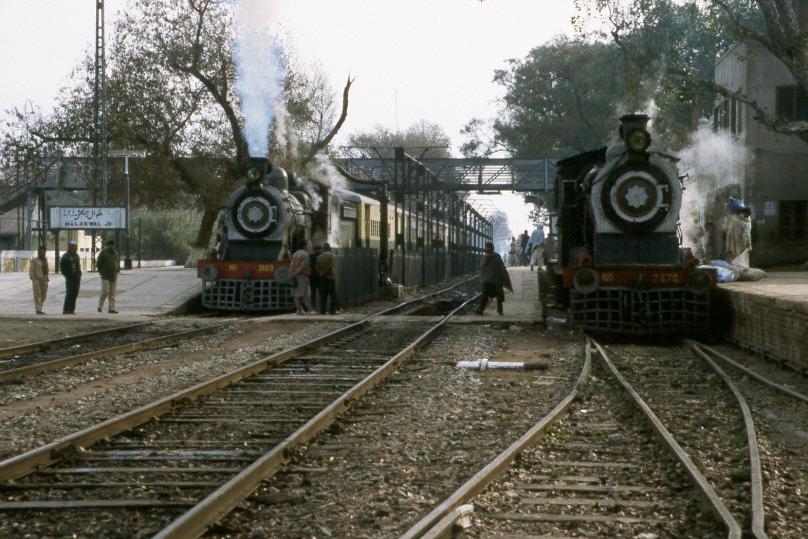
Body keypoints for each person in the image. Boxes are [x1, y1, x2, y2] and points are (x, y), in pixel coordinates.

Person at [474, 241, 513, 315]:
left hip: (489, 282)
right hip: (495, 282)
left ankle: (481, 309)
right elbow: (502, 269)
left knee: (485, 295)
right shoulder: (497, 256)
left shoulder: (485, 257)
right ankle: (499, 310)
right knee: (498, 295)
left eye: (486, 247)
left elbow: (482, 268)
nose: (486, 249)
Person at [289, 241, 313, 314]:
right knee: (306, 293)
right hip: (302, 276)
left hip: (295, 276)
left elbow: (291, 265)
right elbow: (303, 266)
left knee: (296, 294)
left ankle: (299, 310)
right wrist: (297, 272)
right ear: (304, 246)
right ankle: (309, 309)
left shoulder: (295, 254)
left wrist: (292, 273)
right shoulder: (305, 254)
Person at [96, 239, 120, 314]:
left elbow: (117, 263)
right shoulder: (103, 253)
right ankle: (100, 306)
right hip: (105, 275)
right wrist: (101, 272)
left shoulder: (115, 253)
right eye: (110, 245)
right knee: (105, 291)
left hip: (113, 275)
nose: (111, 246)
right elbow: (98, 263)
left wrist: (117, 270)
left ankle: (111, 308)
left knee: (112, 293)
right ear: (107, 245)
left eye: (112, 245)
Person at [60, 240, 82, 315]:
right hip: (69, 277)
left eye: (75, 247)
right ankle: (66, 310)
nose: (74, 248)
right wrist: (66, 275)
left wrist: (79, 274)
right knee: (69, 293)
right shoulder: (65, 256)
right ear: (69, 247)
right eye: (72, 247)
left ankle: (71, 310)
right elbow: (62, 268)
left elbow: (78, 266)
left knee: (75, 293)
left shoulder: (76, 256)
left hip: (77, 278)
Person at [316, 242, 338, 314]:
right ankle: (332, 311)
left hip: (322, 278)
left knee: (323, 295)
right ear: (329, 248)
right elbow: (332, 266)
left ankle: (322, 311)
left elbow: (317, 268)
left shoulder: (319, 257)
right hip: (330, 277)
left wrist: (322, 273)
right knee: (332, 295)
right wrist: (327, 272)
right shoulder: (332, 256)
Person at [29, 245, 49, 315]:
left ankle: (40, 307)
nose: (42, 253)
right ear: (38, 252)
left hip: (44, 280)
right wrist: (32, 277)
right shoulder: (34, 260)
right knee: (37, 295)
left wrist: (47, 278)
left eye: (44, 251)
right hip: (36, 279)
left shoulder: (45, 260)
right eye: (41, 251)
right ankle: (38, 309)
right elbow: (31, 269)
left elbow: (47, 269)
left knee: (44, 295)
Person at [309, 243, 322, 308]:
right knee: (314, 293)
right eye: (316, 249)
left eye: (318, 249)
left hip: (318, 277)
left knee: (320, 293)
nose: (317, 250)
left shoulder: (311, 256)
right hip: (314, 277)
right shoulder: (311, 256)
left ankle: (319, 306)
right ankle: (314, 306)